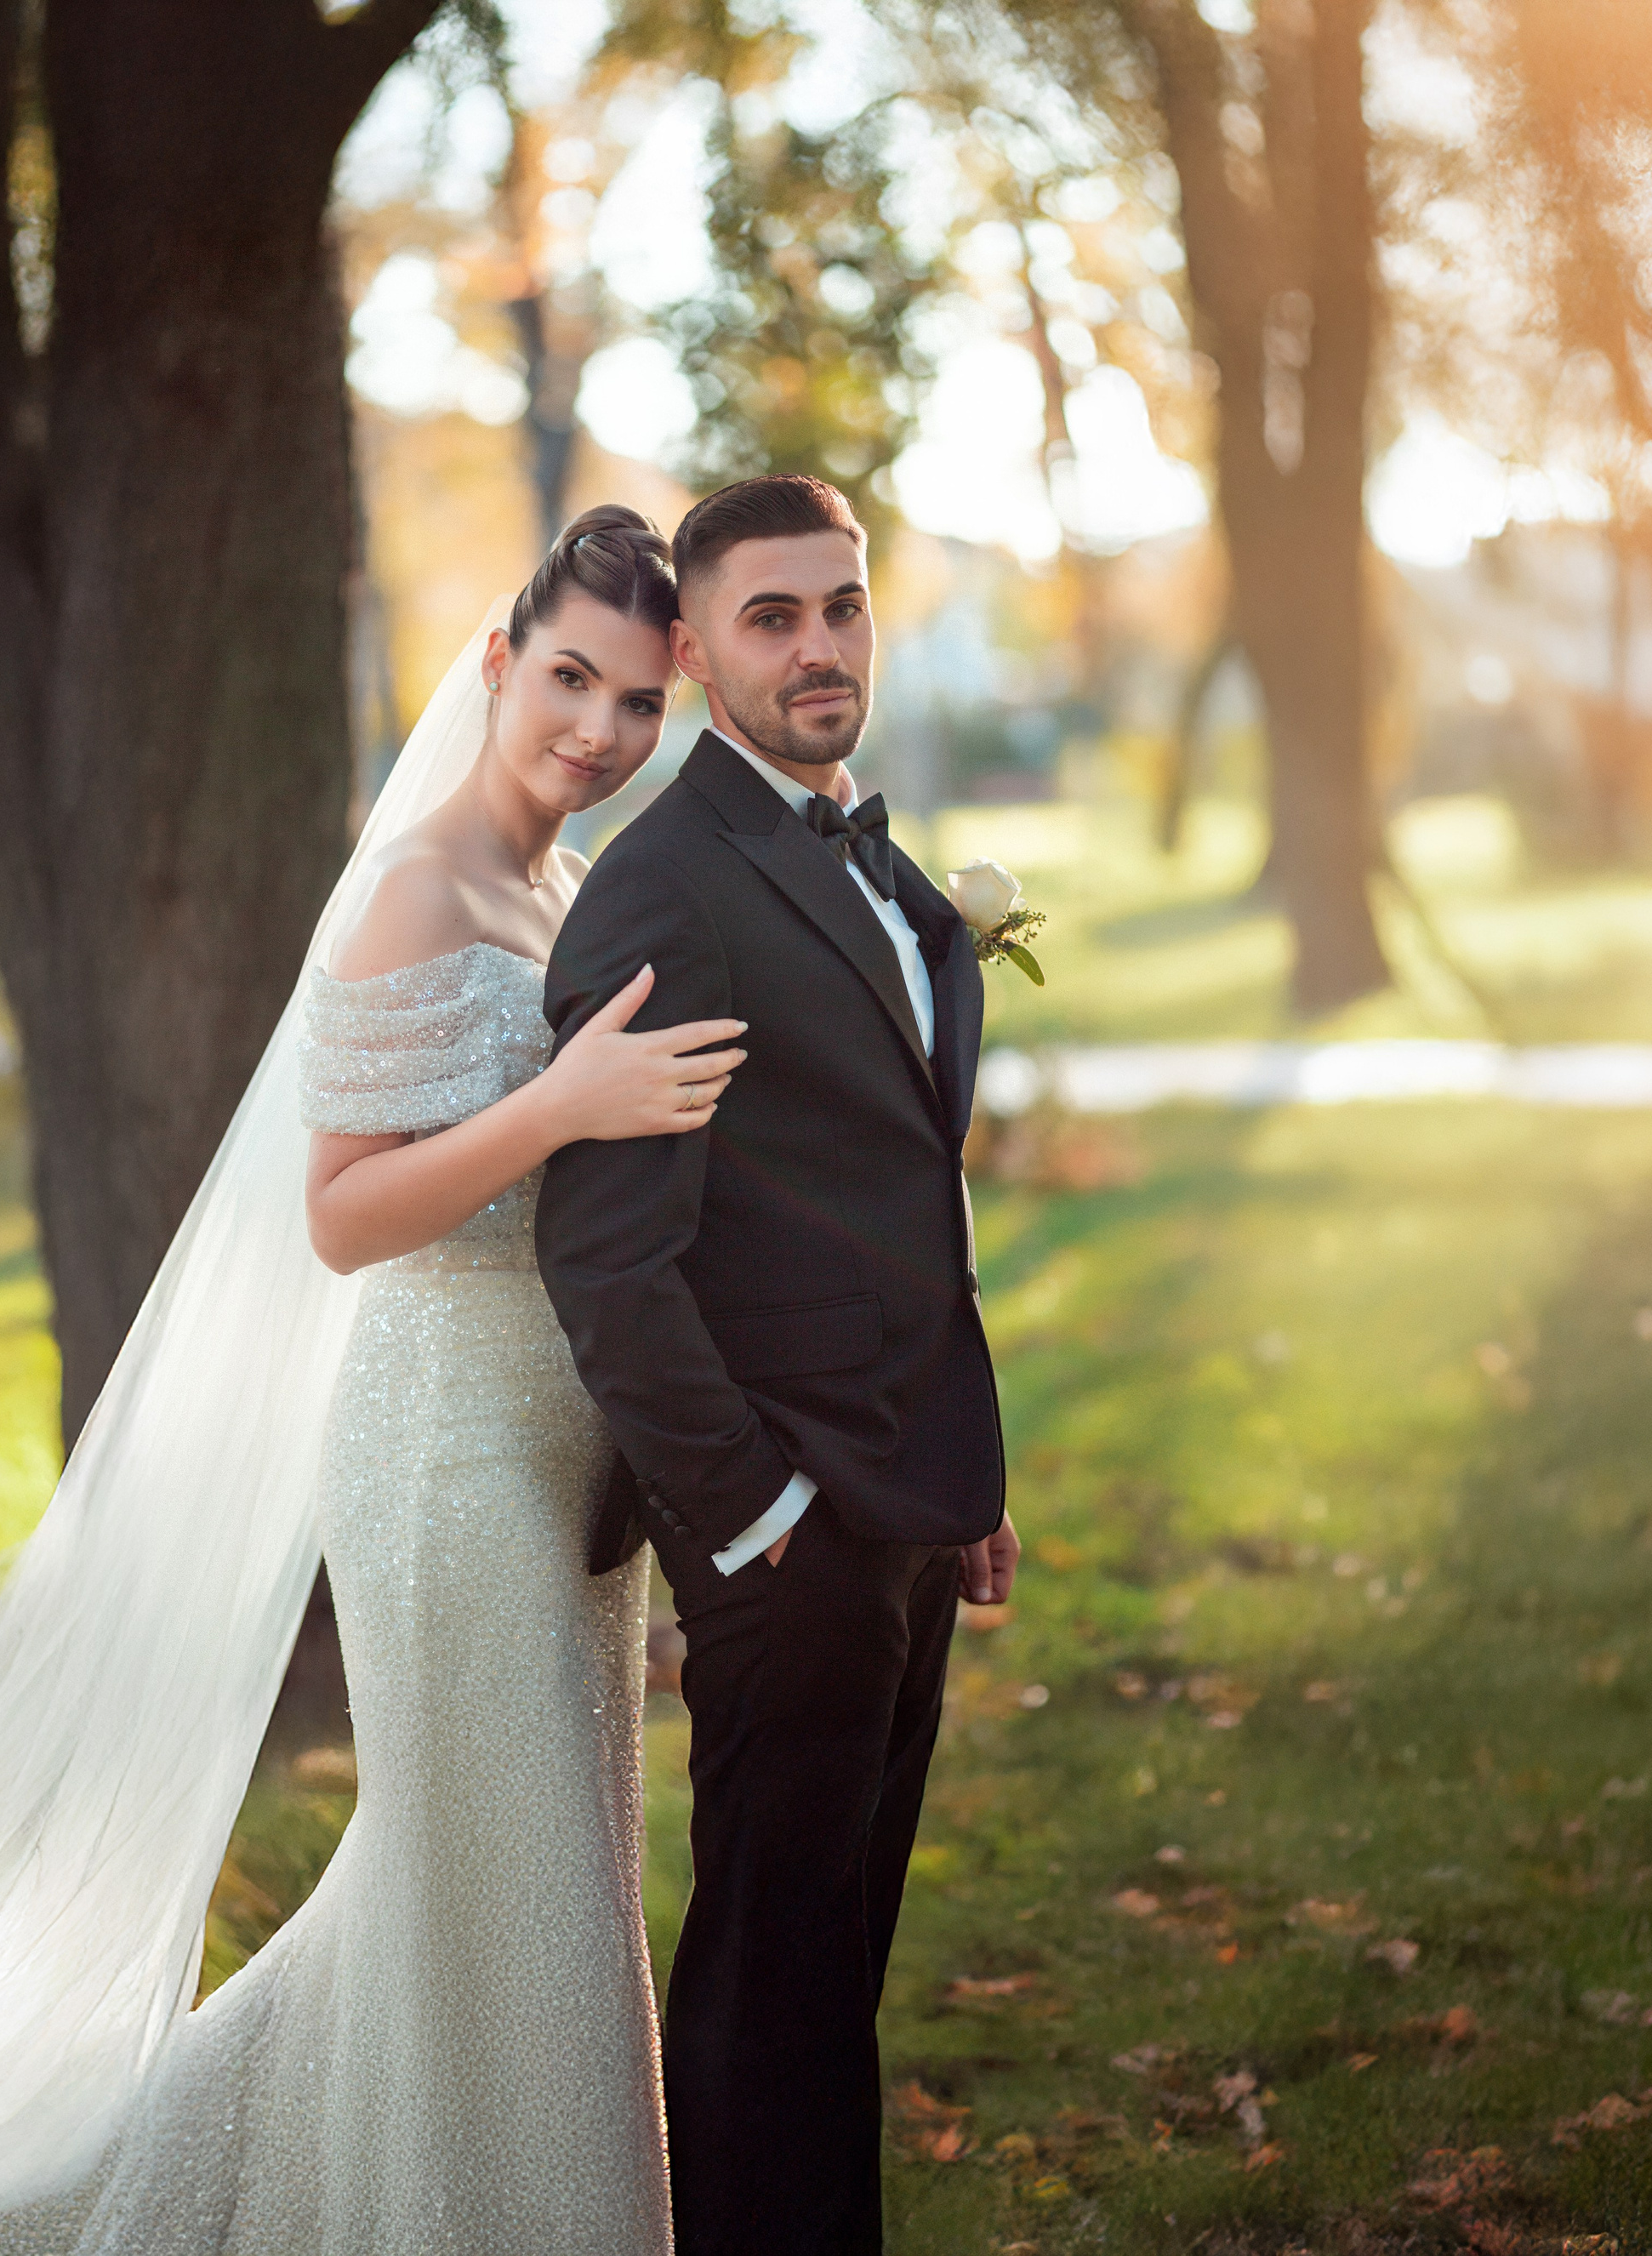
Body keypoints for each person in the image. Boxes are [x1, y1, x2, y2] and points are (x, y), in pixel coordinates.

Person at [0, 508, 715, 2256]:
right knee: (514, 1902)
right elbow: (339, 1215)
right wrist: (553, 1110)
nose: (596, 733)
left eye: (634, 701)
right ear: (495, 664)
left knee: (478, 1901)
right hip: (442, 1460)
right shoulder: (418, 888)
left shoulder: (559, 887)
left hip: (557, 1466)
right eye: (566, 681)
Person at [537, 473, 1021, 2256]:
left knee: (837, 1979)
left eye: (840, 607)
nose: (817, 648)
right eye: (769, 617)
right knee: (765, 1994)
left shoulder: (874, 863)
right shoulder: (671, 891)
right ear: (691, 649)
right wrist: (754, 1523)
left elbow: (887, 1202)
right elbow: (607, 1257)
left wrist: (955, 1483)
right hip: (783, 1545)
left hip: (897, 1505)